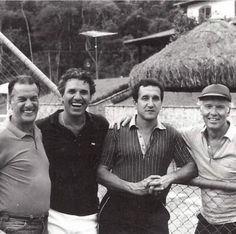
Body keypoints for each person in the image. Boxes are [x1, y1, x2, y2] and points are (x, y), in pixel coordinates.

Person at [97, 79, 197, 234]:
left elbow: (190, 166)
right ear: (134, 102)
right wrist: (132, 187)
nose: (150, 104)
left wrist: (167, 179)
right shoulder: (117, 131)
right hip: (116, 211)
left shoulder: (170, 134)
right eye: (145, 98)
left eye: (155, 98)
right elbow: (101, 171)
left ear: (161, 103)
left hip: (154, 212)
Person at [37, 68, 109, 234]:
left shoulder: (100, 126)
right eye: (71, 91)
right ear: (61, 95)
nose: (77, 97)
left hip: (89, 216)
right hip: (53, 214)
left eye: (84, 92)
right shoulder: (43, 128)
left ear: (91, 97)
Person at [182, 84, 236, 234]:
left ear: (228, 110)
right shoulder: (192, 135)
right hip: (206, 221)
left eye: (219, 107)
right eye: (208, 106)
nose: (213, 112)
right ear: (200, 109)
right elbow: (165, 132)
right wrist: (136, 117)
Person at [0, 75, 50, 234]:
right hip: (15, 226)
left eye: (33, 99)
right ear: (10, 102)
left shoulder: (38, 132)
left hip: (42, 224)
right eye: (22, 99)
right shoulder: (3, 137)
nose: (29, 104)